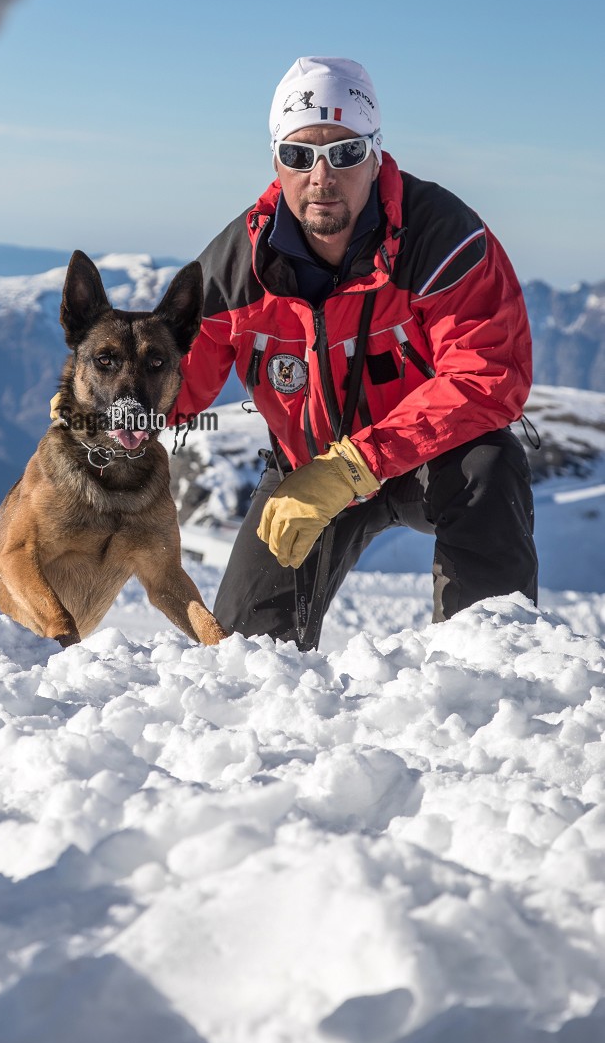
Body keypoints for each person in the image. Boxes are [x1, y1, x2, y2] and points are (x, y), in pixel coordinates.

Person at [170, 56, 538, 649]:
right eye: (298, 155)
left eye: (343, 152)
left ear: (374, 154)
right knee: (241, 658)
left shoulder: (441, 237)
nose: (321, 175)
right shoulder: (235, 269)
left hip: (427, 461)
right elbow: (175, 385)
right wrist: (105, 409)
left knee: (488, 466)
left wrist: (356, 466)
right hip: (306, 474)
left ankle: (487, 671)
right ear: (276, 161)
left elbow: (488, 375)